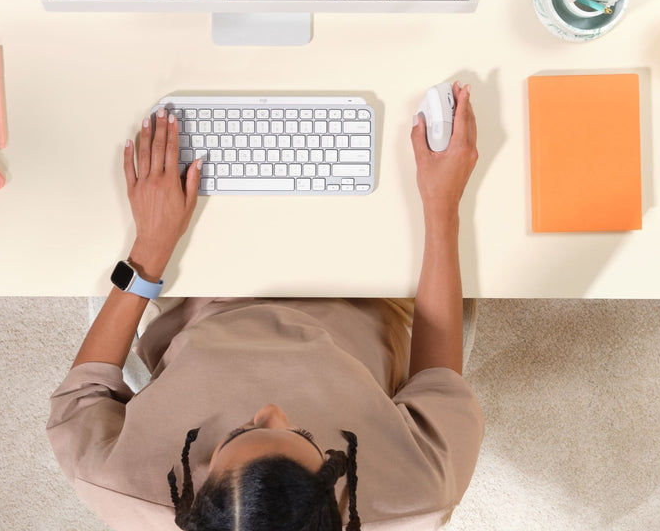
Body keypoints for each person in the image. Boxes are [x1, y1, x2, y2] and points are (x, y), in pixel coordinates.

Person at [48, 83, 482, 530]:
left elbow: (82, 396)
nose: (272, 408)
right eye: (307, 437)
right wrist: (441, 207)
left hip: (199, 288)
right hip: (367, 295)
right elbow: (437, 382)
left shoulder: (117, 482)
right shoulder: (420, 495)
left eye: (240, 431)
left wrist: (149, 250)